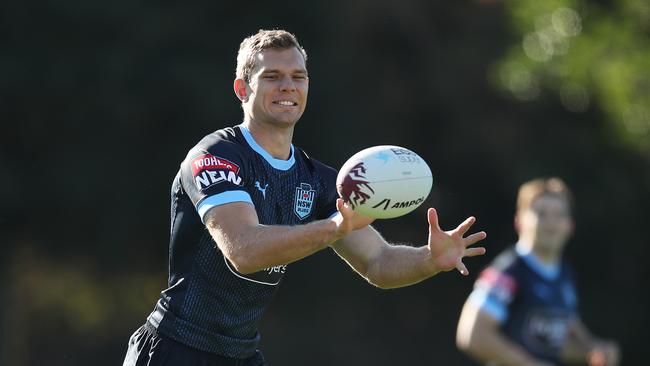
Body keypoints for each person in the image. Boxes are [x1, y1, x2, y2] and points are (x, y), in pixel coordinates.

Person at [123, 29, 487, 366]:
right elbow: (243, 250)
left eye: (298, 77)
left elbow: (377, 261)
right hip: (174, 350)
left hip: (241, 355)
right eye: (272, 77)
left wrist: (428, 259)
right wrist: (335, 227)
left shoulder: (320, 180)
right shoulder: (216, 155)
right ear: (241, 89)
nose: (288, 87)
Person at [456, 177, 620, 366]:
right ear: (519, 221)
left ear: (570, 225)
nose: (551, 222)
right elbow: (472, 335)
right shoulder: (507, 272)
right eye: (541, 213)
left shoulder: (564, 275)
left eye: (559, 215)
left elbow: (552, 342)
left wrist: (594, 350)